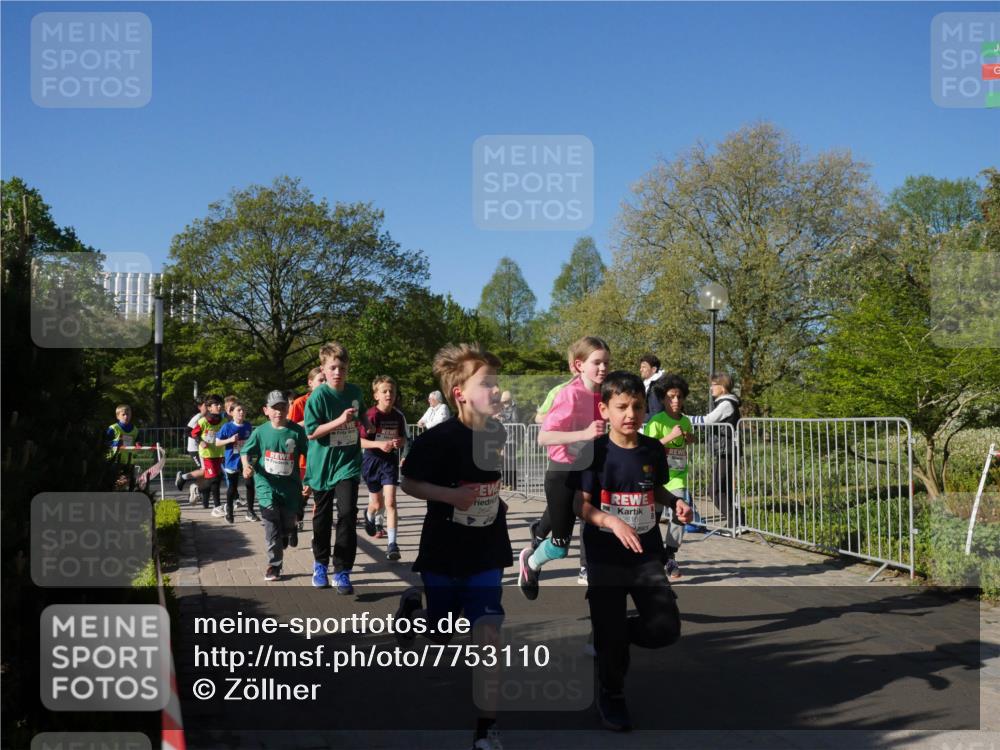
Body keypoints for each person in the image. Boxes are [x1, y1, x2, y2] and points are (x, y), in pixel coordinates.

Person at [395, 343, 510, 750]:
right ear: (459, 393)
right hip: (444, 549)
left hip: (487, 548)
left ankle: (486, 730)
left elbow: (487, 479)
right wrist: (450, 496)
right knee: (440, 632)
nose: (496, 390)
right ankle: (414, 609)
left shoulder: (497, 433)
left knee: (489, 632)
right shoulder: (438, 438)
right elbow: (408, 483)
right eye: (487, 384)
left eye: (496, 383)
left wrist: (492, 500)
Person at [573, 370, 692, 731]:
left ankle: (613, 633)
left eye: (637, 407)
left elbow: (655, 489)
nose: (631, 414)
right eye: (622, 407)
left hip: (646, 554)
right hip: (605, 556)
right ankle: (612, 694)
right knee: (610, 639)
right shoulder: (594, 452)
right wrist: (611, 522)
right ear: (604, 410)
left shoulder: (652, 448)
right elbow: (581, 504)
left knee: (665, 628)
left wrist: (674, 502)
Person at [519, 336, 609, 598]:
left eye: (606, 362)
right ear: (579, 365)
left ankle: (541, 534)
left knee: (596, 532)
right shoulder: (570, 394)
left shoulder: (604, 394)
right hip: (563, 472)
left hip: (589, 472)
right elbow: (544, 437)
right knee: (559, 547)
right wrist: (585, 433)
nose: (603, 367)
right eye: (597, 362)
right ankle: (531, 562)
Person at [304, 341, 369, 594]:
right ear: (323, 369)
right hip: (322, 465)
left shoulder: (355, 391)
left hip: (348, 463)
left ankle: (342, 570)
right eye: (332, 368)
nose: (337, 372)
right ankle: (320, 564)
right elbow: (311, 432)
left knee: (348, 513)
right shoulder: (318, 397)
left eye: (342, 367)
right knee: (322, 517)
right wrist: (340, 420)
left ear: (348, 368)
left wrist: (367, 424)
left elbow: (361, 411)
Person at [240, 390, 309, 582]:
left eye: (282, 407)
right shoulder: (260, 432)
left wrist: (309, 480)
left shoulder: (296, 431)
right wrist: (246, 466)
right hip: (266, 487)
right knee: (271, 527)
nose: (278, 411)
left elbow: (310, 455)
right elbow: (245, 451)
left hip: (290, 489)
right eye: (274, 408)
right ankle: (274, 565)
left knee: (285, 526)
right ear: (266, 410)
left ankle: (289, 530)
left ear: (288, 408)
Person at [642, 374, 696, 578]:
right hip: (657, 478)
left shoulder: (686, 421)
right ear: (663, 399)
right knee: (652, 520)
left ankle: (671, 554)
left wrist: (689, 438)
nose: (676, 401)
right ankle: (651, 556)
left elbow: (690, 440)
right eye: (671, 396)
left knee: (680, 513)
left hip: (678, 476)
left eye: (679, 397)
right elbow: (647, 448)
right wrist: (670, 437)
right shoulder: (656, 421)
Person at [361, 375, 407, 561]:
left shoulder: (398, 416)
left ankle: (392, 544)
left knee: (390, 503)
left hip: (389, 462)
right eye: (385, 391)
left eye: (392, 392)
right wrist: (379, 445)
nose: (389, 394)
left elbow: (403, 439)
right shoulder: (371, 415)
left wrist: (398, 442)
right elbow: (359, 441)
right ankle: (368, 513)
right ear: (376, 395)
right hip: (372, 462)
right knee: (378, 504)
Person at [690, 373, 742, 528]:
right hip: (725, 450)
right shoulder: (725, 402)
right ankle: (736, 522)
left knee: (715, 489)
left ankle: (735, 523)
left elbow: (708, 420)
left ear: (723, 387)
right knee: (723, 488)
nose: (711, 388)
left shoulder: (726, 404)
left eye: (713, 385)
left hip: (727, 451)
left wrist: (683, 418)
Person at [289, 367, 326, 531]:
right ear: (310, 383)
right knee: (303, 492)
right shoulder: (299, 403)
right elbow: (289, 428)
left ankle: (317, 533)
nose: (324, 383)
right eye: (320, 380)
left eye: (326, 380)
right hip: (304, 457)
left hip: (324, 454)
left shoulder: (332, 400)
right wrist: (309, 421)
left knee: (320, 494)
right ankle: (296, 517)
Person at [216, 401, 259, 524]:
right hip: (232, 460)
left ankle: (250, 511)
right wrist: (230, 440)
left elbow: (249, 442)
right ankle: (229, 512)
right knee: (233, 488)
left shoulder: (248, 425)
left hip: (245, 460)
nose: (242, 412)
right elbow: (217, 443)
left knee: (250, 484)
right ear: (232, 413)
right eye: (239, 410)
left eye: (243, 410)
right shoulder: (227, 427)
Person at [190, 395, 226, 515]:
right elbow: (193, 433)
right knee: (214, 480)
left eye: (220, 404)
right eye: (216, 405)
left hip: (219, 453)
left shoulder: (224, 421)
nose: (219, 406)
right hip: (207, 454)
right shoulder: (203, 421)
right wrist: (200, 441)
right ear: (209, 408)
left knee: (216, 479)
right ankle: (217, 507)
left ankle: (196, 488)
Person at [177, 396, 207, 502]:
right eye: (206, 405)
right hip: (194, 448)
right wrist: (199, 440)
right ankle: (183, 477)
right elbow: (187, 431)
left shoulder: (208, 417)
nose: (208, 407)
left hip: (204, 448)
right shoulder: (197, 417)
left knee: (203, 471)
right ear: (200, 407)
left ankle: (196, 491)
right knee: (203, 470)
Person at [105, 403, 137, 489]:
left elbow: (138, 440)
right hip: (114, 460)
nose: (126, 416)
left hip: (129, 460)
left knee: (131, 482)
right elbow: (105, 442)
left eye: (128, 414)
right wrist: (116, 443)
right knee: (113, 482)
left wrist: (138, 444)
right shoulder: (113, 428)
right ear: (117, 416)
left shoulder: (135, 429)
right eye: (123, 414)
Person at [639, 353, 664, 419]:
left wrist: (636, 416)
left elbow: (656, 414)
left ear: (653, 369)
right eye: (641, 367)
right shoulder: (648, 385)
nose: (641, 370)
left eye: (644, 367)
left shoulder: (656, 387)